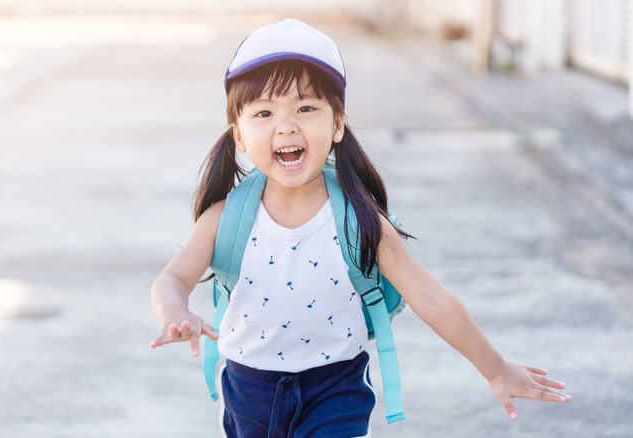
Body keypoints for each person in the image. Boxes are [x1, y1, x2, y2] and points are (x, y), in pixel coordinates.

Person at [149, 18, 570, 437]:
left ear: (337, 125)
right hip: (249, 391)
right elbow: (173, 277)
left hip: (336, 389)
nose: (286, 125)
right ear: (238, 134)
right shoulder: (225, 219)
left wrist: (495, 369)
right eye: (264, 112)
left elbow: (434, 301)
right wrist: (174, 310)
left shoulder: (361, 220)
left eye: (306, 108)